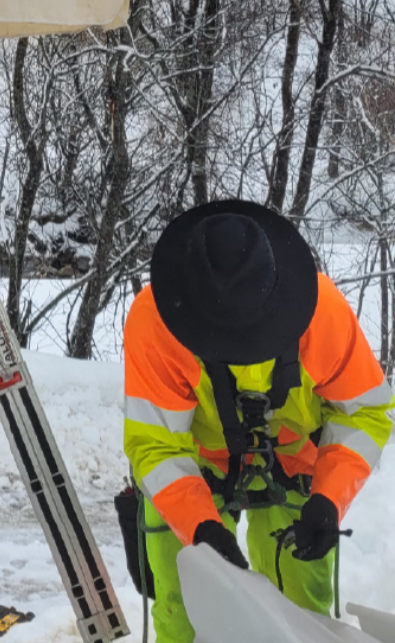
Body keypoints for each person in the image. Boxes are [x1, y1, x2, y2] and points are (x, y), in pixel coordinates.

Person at [123, 199, 393, 643]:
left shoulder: (323, 313)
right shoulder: (154, 324)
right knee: (186, 611)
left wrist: (328, 500)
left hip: (297, 467)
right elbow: (157, 446)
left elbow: (365, 412)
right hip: (193, 474)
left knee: (302, 618)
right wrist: (200, 527)